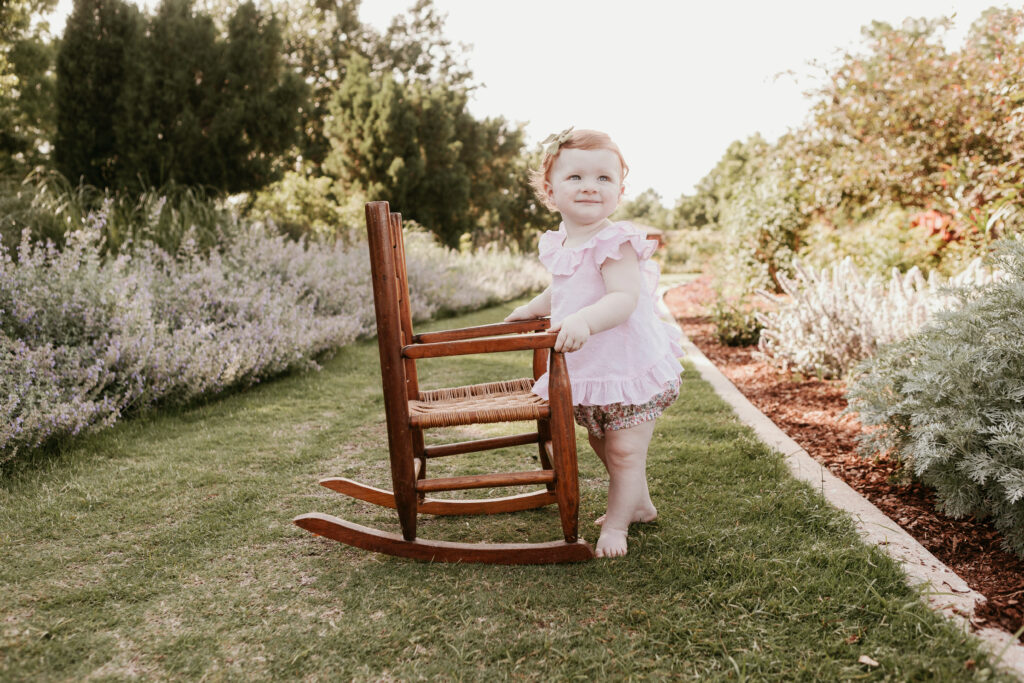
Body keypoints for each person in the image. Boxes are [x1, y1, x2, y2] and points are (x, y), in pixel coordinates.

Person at [505, 127, 684, 558]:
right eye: (576, 178)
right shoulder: (560, 242)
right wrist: (532, 308)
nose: (590, 186)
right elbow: (562, 291)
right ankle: (639, 503)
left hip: (629, 366)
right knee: (601, 440)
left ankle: (618, 524)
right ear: (550, 191)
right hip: (590, 368)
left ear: (619, 191)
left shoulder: (614, 240)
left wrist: (583, 321)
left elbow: (623, 298)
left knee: (623, 450)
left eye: (604, 178)